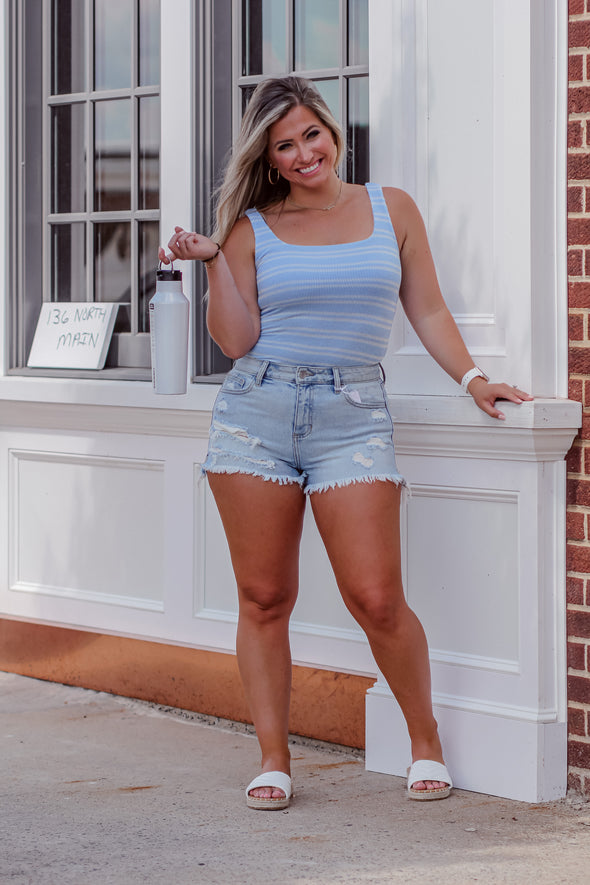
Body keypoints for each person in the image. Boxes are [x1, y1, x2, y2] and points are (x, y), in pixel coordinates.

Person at [159, 75, 533, 811]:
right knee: (264, 595)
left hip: (353, 415)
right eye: (284, 146)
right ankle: (273, 756)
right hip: (256, 413)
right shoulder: (251, 228)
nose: (303, 154)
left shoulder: (389, 208)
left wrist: (474, 378)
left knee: (376, 596)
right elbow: (235, 341)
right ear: (268, 159)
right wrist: (211, 264)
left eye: (311, 135)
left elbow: (425, 305)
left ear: (332, 131)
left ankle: (424, 739)